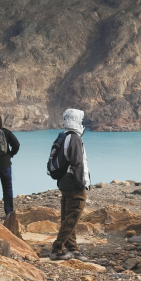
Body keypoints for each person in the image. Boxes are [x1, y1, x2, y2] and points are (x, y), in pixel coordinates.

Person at [45, 108, 90, 259]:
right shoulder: (75, 138)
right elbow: (77, 163)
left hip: (64, 182)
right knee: (73, 216)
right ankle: (56, 249)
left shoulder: (63, 136)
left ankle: (72, 248)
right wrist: (81, 184)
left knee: (68, 216)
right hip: (73, 183)